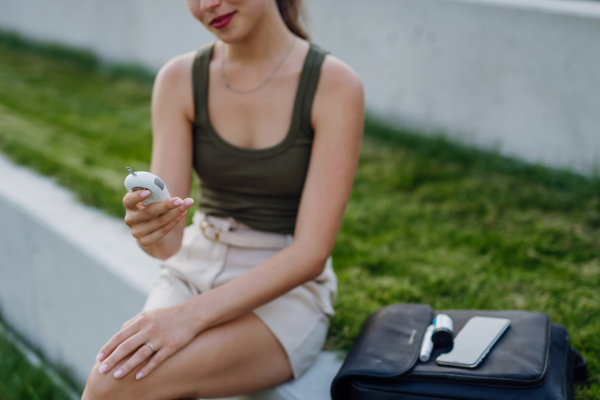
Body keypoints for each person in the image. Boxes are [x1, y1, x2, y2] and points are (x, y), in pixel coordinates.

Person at [82, 0, 363, 398]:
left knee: (114, 384)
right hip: (194, 267)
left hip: (285, 289)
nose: (207, 5)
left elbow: (311, 253)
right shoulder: (179, 79)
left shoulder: (333, 84)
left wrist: (187, 318)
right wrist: (150, 229)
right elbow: (169, 246)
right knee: (112, 378)